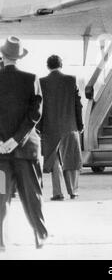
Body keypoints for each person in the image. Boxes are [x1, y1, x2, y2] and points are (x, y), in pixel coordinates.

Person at [0, 36, 48, 250]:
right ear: (19, 57)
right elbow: (34, 115)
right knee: (32, 195)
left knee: (0, 195)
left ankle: (1, 240)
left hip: (0, 154)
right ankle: (40, 234)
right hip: (26, 151)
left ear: (2, 55)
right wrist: (16, 139)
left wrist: (2, 141)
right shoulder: (32, 79)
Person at [39, 55, 83, 200]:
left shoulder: (42, 82)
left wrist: (39, 127)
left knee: (54, 160)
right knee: (71, 159)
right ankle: (73, 191)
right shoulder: (71, 80)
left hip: (50, 128)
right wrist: (80, 125)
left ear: (48, 66)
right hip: (70, 126)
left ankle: (57, 193)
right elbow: (78, 105)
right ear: (61, 65)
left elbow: (38, 107)